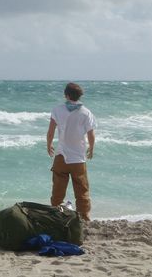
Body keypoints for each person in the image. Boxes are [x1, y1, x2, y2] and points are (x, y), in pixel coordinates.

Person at [46, 82, 97, 221]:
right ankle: (84, 217)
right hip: (78, 159)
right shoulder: (86, 112)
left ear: (66, 95)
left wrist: (49, 144)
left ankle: (57, 214)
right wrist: (91, 148)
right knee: (82, 191)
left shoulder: (57, 110)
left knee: (58, 190)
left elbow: (51, 131)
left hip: (61, 156)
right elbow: (91, 134)